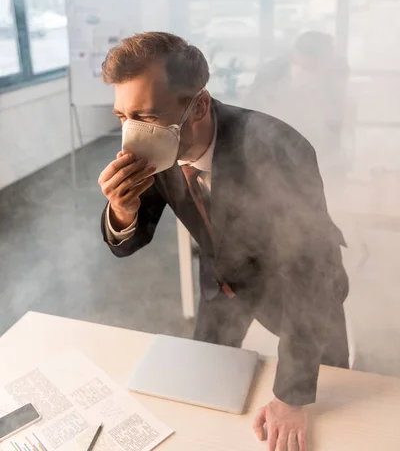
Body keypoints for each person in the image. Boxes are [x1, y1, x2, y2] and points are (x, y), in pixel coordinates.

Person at [98, 32, 349, 451]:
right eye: (123, 117)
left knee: (336, 397)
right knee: (204, 395)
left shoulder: (277, 147)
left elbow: (313, 273)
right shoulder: (156, 148)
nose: (131, 137)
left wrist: (291, 395)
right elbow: (128, 241)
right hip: (222, 283)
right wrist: (123, 211)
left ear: (198, 105)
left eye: (147, 117)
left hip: (300, 292)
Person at [246, 31, 349, 169]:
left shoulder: (335, 68)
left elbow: (336, 107)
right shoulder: (272, 70)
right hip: (277, 137)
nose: (327, 60)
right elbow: (252, 105)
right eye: (324, 57)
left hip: (318, 140)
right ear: (303, 54)